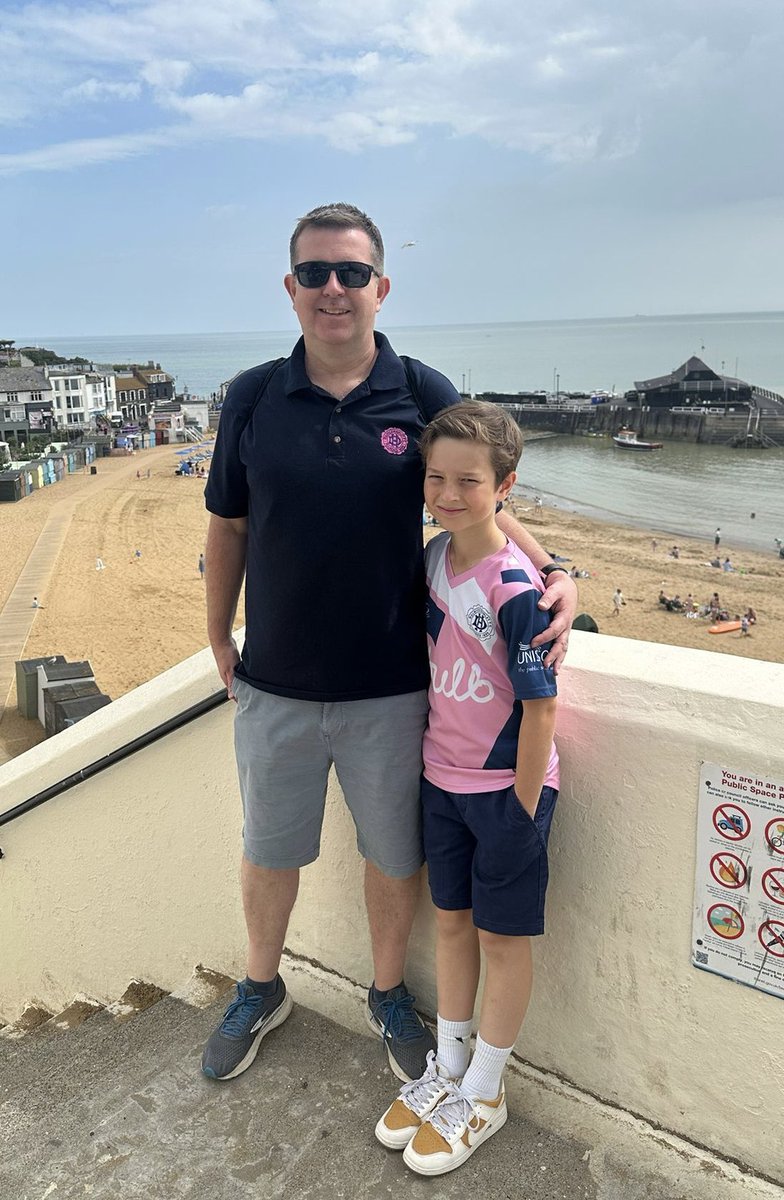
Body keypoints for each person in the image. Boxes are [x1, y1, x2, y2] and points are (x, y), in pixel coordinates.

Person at [201, 202, 578, 1087]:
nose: (335, 290)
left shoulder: (420, 387)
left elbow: (482, 491)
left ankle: (384, 994)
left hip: (395, 686)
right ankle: (262, 987)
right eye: (317, 273)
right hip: (277, 682)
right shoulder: (254, 396)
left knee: (394, 857)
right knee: (269, 850)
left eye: (353, 273)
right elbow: (228, 526)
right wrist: (215, 636)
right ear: (291, 289)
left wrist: (555, 568)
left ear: (381, 285)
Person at [375, 402, 558, 1175]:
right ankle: (447, 1068)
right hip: (440, 779)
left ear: (504, 486)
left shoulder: (516, 587)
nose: (448, 494)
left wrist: (519, 809)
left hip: (505, 790)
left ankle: (486, 1088)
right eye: (436, 477)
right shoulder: (432, 561)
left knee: (500, 938)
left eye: (469, 481)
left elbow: (541, 704)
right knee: (449, 923)